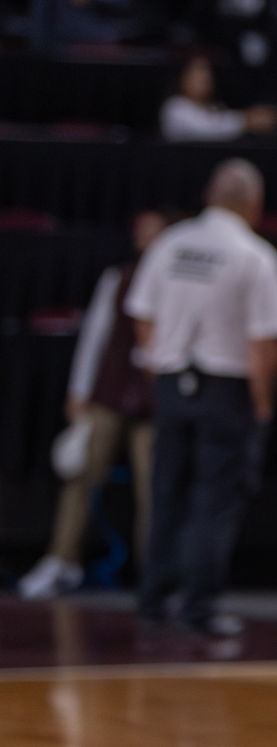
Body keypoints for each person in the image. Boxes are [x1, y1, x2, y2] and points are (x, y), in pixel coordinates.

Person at [125, 162, 277, 636]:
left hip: (171, 382)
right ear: (253, 205)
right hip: (226, 389)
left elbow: (141, 314)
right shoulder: (254, 255)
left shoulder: (170, 244)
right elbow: (265, 346)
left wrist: (159, 363)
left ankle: (152, 600)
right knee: (214, 501)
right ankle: (199, 607)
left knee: (165, 494)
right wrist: (261, 406)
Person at [16, 209, 170, 600]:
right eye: (141, 231)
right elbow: (95, 336)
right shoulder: (118, 277)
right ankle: (61, 560)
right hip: (110, 391)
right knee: (82, 472)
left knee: (154, 487)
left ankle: (153, 576)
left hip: (156, 398)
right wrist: (79, 390)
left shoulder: (174, 280)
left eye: (154, 231)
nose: (144, 237)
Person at [161, 55, 277, 142]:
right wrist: (246, 121)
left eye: (207, 76)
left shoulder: (215, 107)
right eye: (197, 76)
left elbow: (220, 120)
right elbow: (207, 128)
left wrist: (251, 116)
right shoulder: (174, 108)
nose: (204, 79)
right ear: (183, 78)